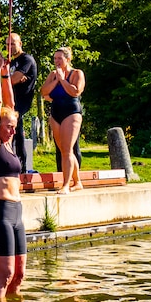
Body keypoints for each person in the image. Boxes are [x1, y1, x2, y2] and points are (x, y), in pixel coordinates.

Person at [0, 52, 27, 298]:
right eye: (8, 126)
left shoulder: (10, 145)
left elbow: (9, 103)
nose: (12, 131)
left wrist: (6, 72)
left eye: (14, 127)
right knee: (4, 275)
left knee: (19, 275)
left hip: (17, 212)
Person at [41, 46, 86, 194]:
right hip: (56, 112)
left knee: (67, 149)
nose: (57, 61)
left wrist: (62, 79)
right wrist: (56, 80)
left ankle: (66, 184)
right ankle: (77, 181)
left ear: (67, 59)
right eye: (55, 58)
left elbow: (75, 91)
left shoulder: (77, 73)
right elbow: (44, 92)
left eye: (59, 58)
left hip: (71, 111)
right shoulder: (53, 74)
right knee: (62, 149)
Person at [4, 33, 37, 172]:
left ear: (20, 44)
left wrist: (10, 78)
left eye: (12, 44)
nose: (9, 47)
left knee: (17, 133)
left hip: (21, 102)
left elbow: (12, 79)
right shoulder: (8, 61)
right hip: (8, 101)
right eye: (7, 44)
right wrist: (9, 78)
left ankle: (21, 167)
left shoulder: (26, 59)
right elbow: (3, 80)